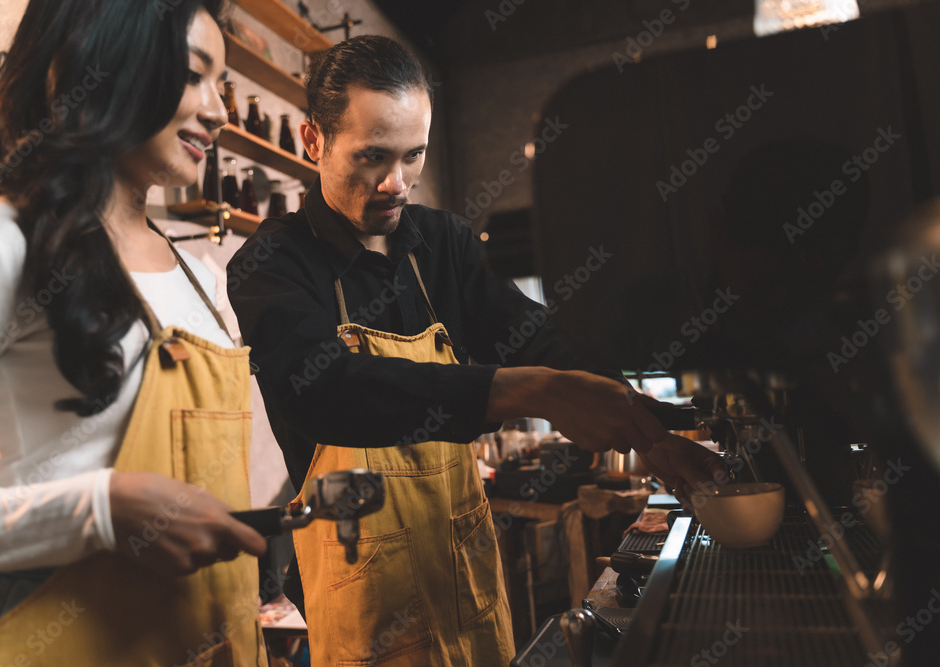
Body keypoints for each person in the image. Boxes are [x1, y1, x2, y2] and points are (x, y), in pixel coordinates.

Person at [227, 35, 725, 666]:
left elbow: (537, 336)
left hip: (463, 579)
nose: (395, 183)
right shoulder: (272, 264)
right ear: (314, 142)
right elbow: (325, 391)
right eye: (372, 157)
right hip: (367, 606)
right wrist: (525, 389)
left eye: (414, 156)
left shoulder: (443, 244)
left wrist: (644, 424)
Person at [0, 1, 269, 665]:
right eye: (191, 75)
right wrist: (96, 508)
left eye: (223, 85)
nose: (221, 112)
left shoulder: (196, 269)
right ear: (102, 63)